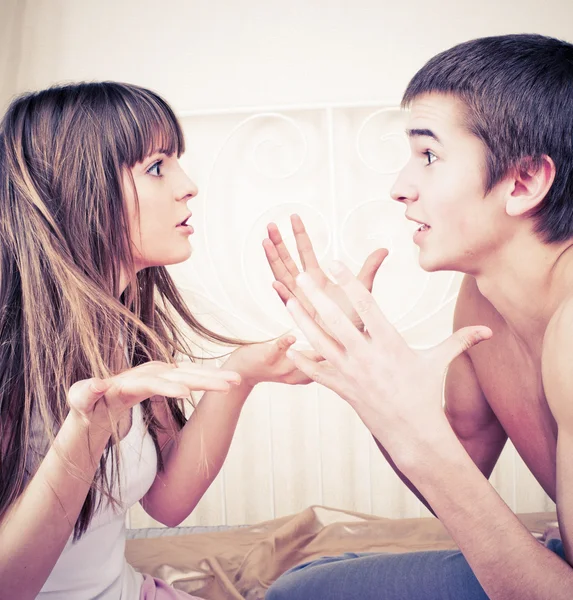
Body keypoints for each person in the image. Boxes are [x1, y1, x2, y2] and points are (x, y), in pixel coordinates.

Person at [264, 33, 573, 599]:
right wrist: (367, 373)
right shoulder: (482, 297)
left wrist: (401, 411)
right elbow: (457, 471)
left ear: (524, 181)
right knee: (298, 591)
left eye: (428, 156)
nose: (399, 187)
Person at [0, 81, 328, 600]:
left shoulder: (132, 335)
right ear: (79, 189)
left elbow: (167, 504)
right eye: (157, 166)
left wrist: (240, 374)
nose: (189, 185)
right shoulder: (10, 355)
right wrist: (89, 429)